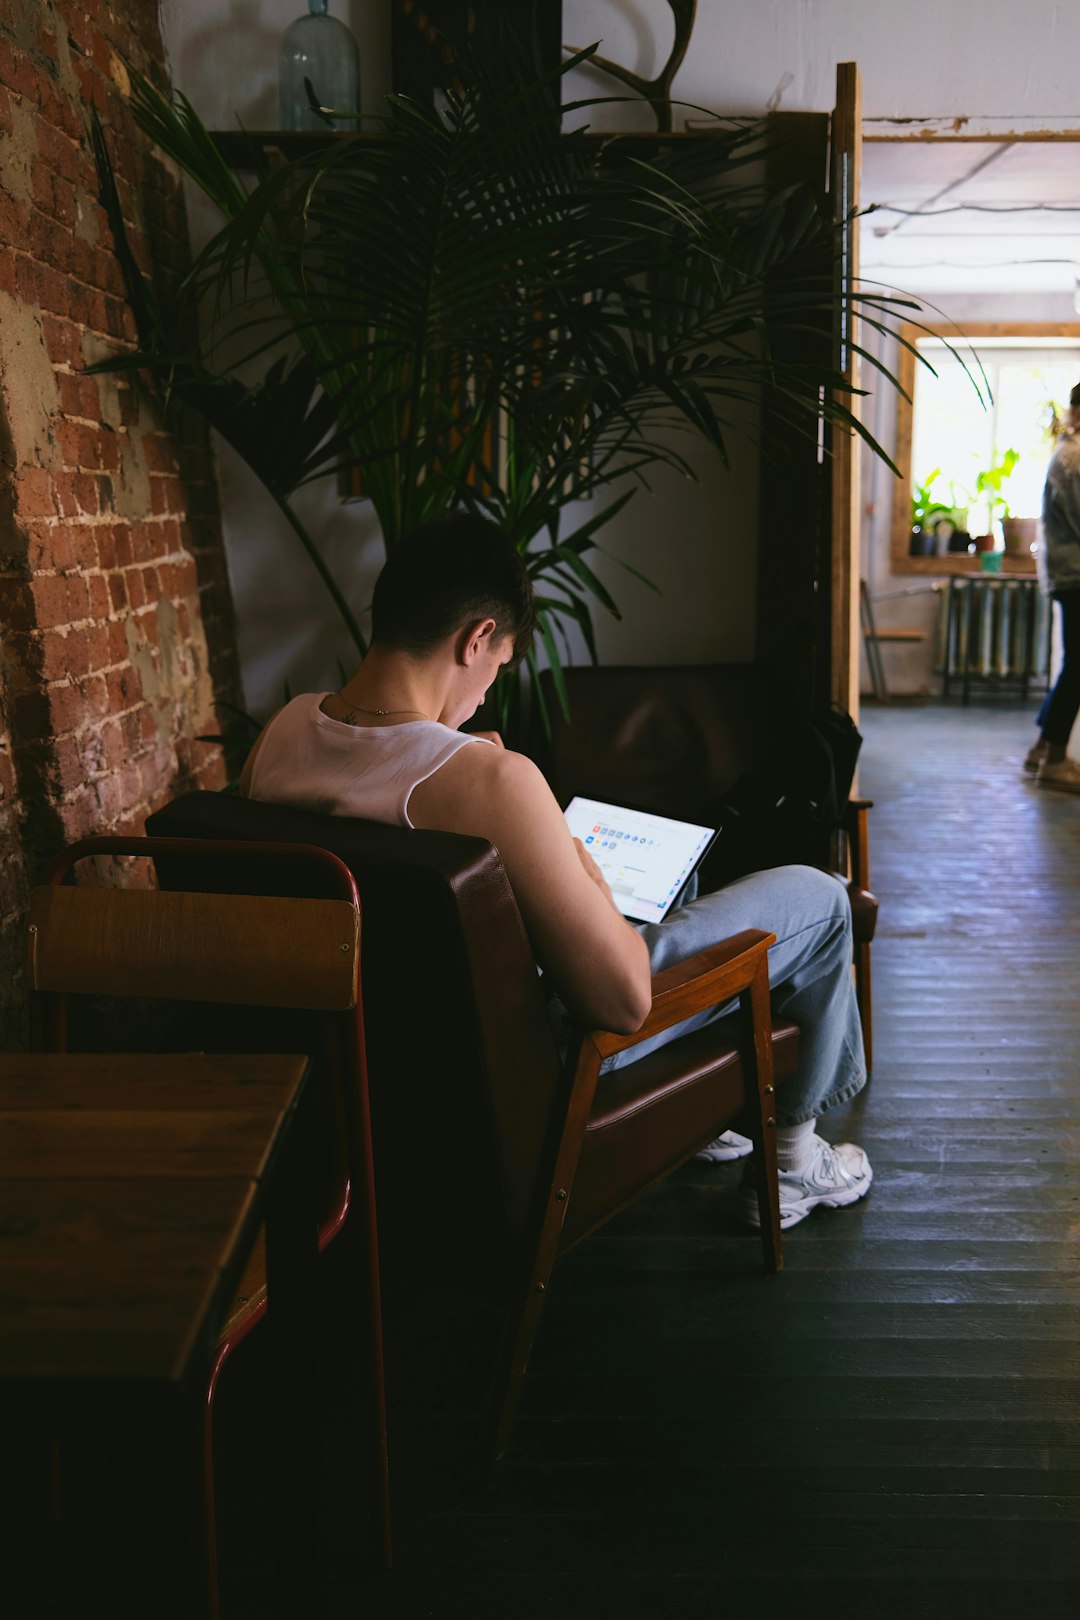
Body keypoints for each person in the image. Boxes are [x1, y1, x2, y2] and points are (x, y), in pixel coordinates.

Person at [240, 513, 872, 1230]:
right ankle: (793, 1157)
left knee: (678, 887)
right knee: (821, 902)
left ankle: (709, 1114)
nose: (484, 693)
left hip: (378, 1070)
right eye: (497, 665)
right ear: (477, 638)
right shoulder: (491, 781)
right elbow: (623, 1004)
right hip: (534, 1062)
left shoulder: (282, 733)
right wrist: (570, 857)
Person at [1026, 383, 1080, 792]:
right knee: (1078, 668)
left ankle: (1043, 748)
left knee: (1074, 665)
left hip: (1067, 573)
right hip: (1076, 574)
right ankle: (1056, 760)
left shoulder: (1066, 452)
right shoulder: (1075, 457)